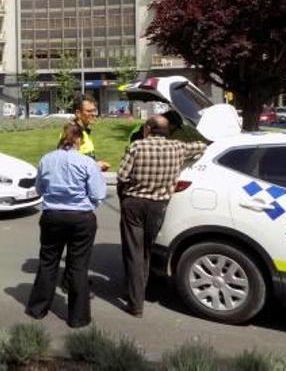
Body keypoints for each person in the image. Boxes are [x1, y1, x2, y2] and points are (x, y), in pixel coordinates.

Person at [116, 115, 208, 317]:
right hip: (158, 206)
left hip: (134, 203)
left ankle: (135, 301)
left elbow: (122, 176)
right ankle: (141, 290)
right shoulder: (178, 148)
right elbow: (202, 146)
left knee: (133, 252)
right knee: (147, 250)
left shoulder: (136, 147)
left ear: (148, 128)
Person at [26, 122, 107, 328]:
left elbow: (40, 189)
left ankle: (37, 309)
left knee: (48, 261)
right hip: (80, 217)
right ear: (79, 140)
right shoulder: (87, 162)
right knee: (78, 266)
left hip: (53, 216)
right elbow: (98, 194)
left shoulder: (46, 159)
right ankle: (77, 317)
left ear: (62, 138)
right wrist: (87, 204)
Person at [61, 94, 110, 171]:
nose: (94, 114)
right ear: (78, 113)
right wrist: (96, 165)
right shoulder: (73, 132)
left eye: (94, 110)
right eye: (89, 111)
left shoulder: (84, 130)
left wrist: (96, 164)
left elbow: (83, 159)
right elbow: (67, 163)